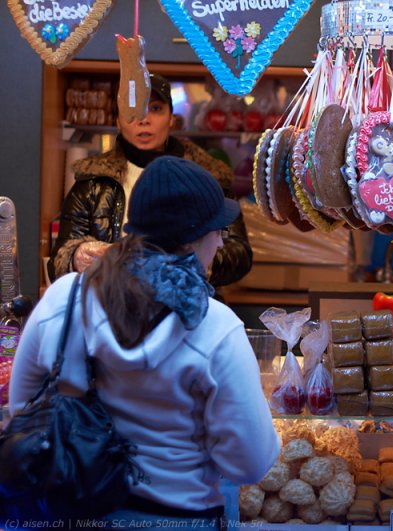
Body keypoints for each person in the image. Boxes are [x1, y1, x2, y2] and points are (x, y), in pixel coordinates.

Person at [11, 156, 279, 530]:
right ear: (190, 238)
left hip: (67, 512)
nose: (221, 242)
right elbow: (250, 463)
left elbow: (23, 406)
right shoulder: (216, 327)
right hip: (180, 518)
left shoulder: (64, 301)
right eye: (216, 230)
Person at [49, 73, 253, 289]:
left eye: (155, 109)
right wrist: (79, 256)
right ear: (117, 120)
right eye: (132, 110)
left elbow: (239, 253)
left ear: (171, 118)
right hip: (110, 306)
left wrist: (182, 264)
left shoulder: (208, 177)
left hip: (190, 309)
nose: (143, 119)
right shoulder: (92, 182)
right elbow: (59, 262)